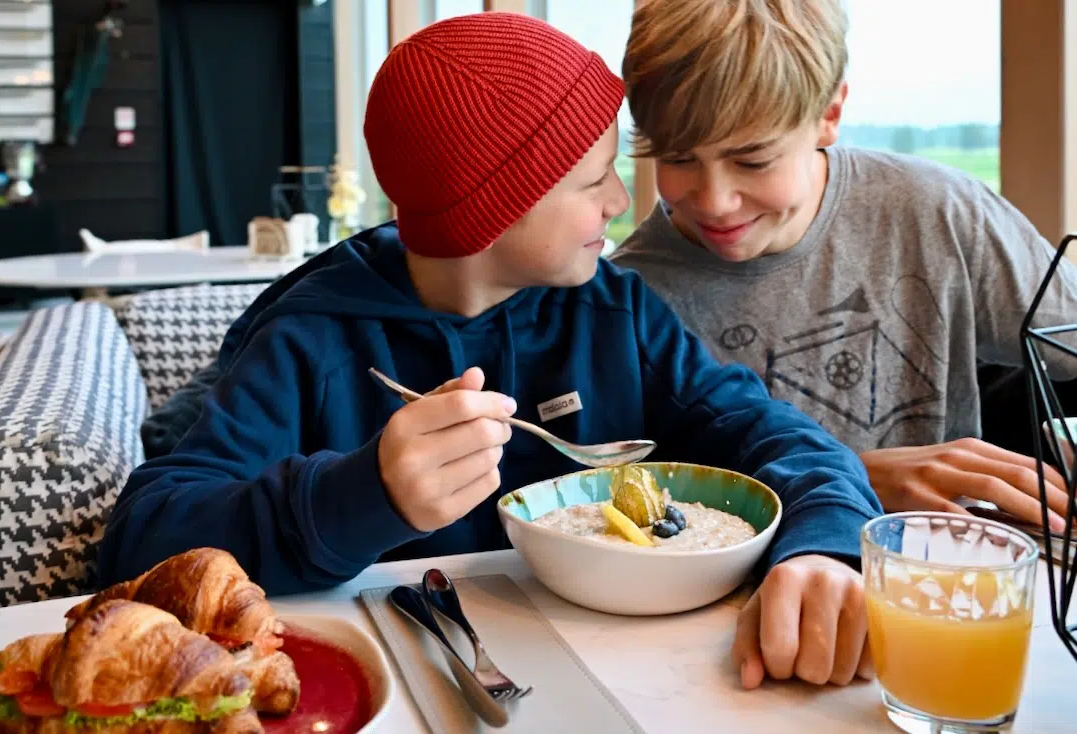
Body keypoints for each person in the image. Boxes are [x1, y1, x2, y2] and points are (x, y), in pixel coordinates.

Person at [100, 12, 882, 690]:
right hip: (387, 685)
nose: (620, 203)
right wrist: (360, 495)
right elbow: (142, 541)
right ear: (490, 210)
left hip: (619, 676)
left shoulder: (614, 311)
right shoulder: (313, 338)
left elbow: (771, 435)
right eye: (595, 179)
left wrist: (825, 545)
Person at [611, 0, 1077, 533]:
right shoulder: (624, 297)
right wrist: (850, 478)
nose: (715, 200)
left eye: (753, 161)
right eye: (678, 158)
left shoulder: (943, 213)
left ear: (829, 115)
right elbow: (630, 508)